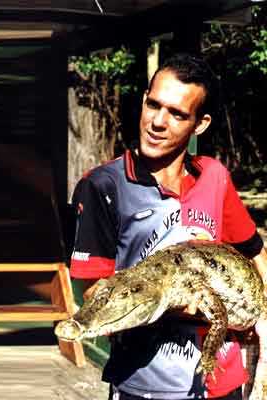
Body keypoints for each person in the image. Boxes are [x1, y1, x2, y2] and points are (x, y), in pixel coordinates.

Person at [68, 53, 267, 400]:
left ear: (199, 124)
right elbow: (93, 292)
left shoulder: (214, 176)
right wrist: (177, 303)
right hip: (145, 382)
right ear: (144, 100)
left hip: (221, 379)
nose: (157, 122)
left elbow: (255, 251)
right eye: (154, 105)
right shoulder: (103, 185)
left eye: (176, 114)